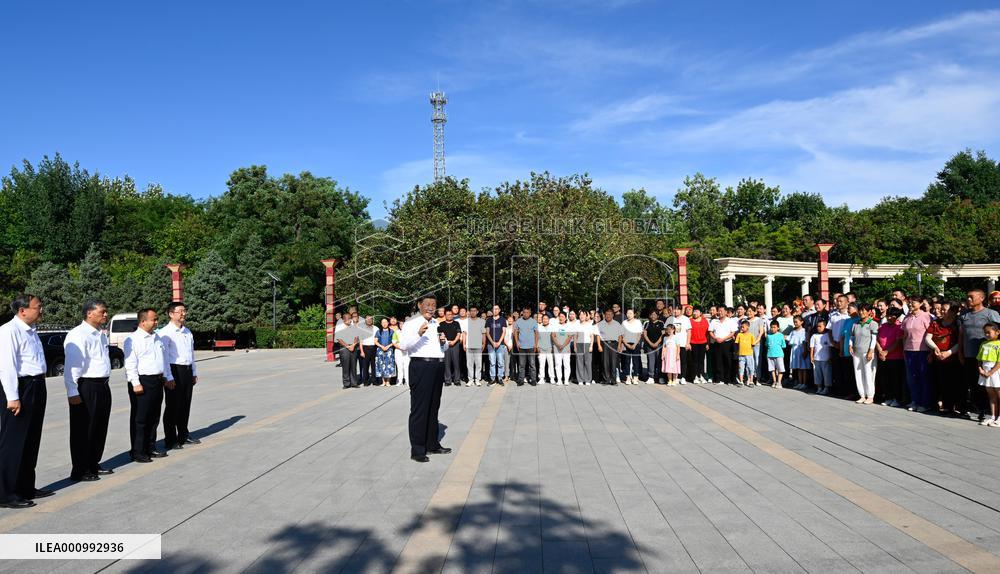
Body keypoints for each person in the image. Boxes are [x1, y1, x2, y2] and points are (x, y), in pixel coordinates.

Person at [0, 294, 51, 508]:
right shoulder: (8, 331)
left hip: (37, 385)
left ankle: (26, 486)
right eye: (37, 307)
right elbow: (6, 366)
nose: (41, 310)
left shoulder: (31, 331)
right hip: (20, 388)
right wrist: (13, 397)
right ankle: (7, 493)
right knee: (14, 443)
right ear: (23, 311)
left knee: (31, 440)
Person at [64, 300, 114, 481]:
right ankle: (80, 469)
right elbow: (73, 365)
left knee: (99, 427)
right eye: (103, 311)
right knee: (84, 429)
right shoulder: (78, 334)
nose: (106, 314)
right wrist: (72, 390)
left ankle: (93, 463)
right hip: (86, 387)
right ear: (89, 313)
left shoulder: (100, 334)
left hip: (102, 385)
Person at [398, 293, 452, 463]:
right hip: (421, 367)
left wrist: (444, 342)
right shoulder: (411, 323)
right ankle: (418, 450)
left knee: (433, 407)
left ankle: (432, 444)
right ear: (419, 305)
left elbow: (442, 348)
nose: (431, 307)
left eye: (433, 304)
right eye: (427, 304)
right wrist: (418, 334)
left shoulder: (436, 323)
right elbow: (404, 346)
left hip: (437, 366)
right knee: (420, 409)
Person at [124, 308, 172, 463]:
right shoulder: (133, 339)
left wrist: (166, 376)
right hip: (142, 381)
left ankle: (151, 447)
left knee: (154, 417)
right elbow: (130, 363)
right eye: (154, 319)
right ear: (143, 321)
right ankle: (138, 451)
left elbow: (164, 359)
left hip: (157, 381)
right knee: (141, 418)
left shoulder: (156, 337)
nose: (156, 322)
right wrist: (135, 383)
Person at [159, 301, 199, 450]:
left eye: (184, 311)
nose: (183, 314)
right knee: (172, 406)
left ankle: (183, 434)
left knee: (185, 404)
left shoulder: (187, 332)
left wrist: (194, 372)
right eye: (180, 311)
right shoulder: (165, 333)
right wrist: (168, 377)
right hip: (174, 370)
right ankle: (170, 438)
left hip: (187, 370)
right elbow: (164, 357)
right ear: (171, 314)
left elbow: (191, 354)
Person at [958, 290, 1000, 421]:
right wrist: (960, 351)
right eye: (967, 297)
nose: (968, 299)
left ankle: (987, 412)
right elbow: (961, 335)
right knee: (971, 384)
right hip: (969, 355)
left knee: (987, 386)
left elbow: (998, 331)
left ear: (981, 298)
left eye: (971, 297)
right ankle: (973, 408)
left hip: (988, 358)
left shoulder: (991, 314)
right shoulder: (964, 314)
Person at [925, 305, 960, 415]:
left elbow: (961, 341)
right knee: (939, 381)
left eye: (945, 309)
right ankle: (942, 404)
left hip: (954, 357)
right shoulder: (936, 323)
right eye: (941, 309)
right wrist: (935, 348)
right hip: (938, 356)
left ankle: (954, 406)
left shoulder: (958, 324)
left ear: (953, 312)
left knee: (953, 382)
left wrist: (949, 352)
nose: (941, 311)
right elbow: (927, 338)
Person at [901, 298, 932, 412]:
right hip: (909, 350)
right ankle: (915, 401)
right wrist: (904, 350)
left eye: (913, 302)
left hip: (923, 350)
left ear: (920, 304)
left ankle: (925, 403)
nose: (910, 304)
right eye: (909, 302)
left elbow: (930, 334)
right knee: (912, 378)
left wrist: (931, 352)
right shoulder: (907, 317)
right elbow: (904, 335)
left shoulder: (926, 316)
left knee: (923, 377)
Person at [876, 308, 906, 407]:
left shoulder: (899, 327)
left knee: (895, 379)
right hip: (883, 356)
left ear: (896, 317)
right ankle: (888, 397)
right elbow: (876, 339)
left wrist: (886, 352)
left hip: (895, 357)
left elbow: (897, 343)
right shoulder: (882, 326)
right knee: (885, 378)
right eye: (888, 315)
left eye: (892, 316)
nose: (889, 317)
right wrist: (880, 351)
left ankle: (896, 399)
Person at [850, 304, 879, 404]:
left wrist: (871, 351)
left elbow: (874, 339)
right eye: (860, 310)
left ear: (869, 311)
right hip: (857, 352)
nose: (861, 312)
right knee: (858, 374)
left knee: (868, 374)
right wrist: (850, 345)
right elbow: (852, 337)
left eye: (864, 310)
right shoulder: (856, 324)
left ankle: (870, 396)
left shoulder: (873, 324)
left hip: (867, 352)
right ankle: (862, 395)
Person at [977, 323, 1000, 427]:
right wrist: (980, 369)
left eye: (989, 332)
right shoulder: (983, 344)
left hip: (995, 372)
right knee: (991, 396)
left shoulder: (999, 344)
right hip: (985, 372)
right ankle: (993, 417)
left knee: (998, 394)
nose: (986, 334)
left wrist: (990, 372)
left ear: (997, 332)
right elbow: (979, 359)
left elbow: (999, 362)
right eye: (985, 332)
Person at [709, 308, 736, 385]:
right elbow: (710, 331)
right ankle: (718, 379)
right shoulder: (714, 321)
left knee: (728, 361)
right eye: (719, 311)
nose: (720, 312)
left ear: (726, 312)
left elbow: (733, 332)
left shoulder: (730, 321)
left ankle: (727, 379)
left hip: (727, 343)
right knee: (718, 361)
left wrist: (723, 339)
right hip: (717, 342)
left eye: (721, 311)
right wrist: (715, 338)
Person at [514, 307, 539, 386]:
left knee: (532, 364)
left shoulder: (534, 321)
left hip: (531, 346)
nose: (526, 314)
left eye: (527, 312)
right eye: (524, 312)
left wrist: (535, 344)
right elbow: (515, 332)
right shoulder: (518, 321)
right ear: (522, 312)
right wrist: (517, 342)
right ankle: (521, 380)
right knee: (521, 365)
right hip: (521, 347)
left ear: (530, 313)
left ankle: (533, 380)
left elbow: (536, 333)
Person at [666, 306, 691, 384]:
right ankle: (675, 377)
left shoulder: (686, 319)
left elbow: (689, 332)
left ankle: (683, 377)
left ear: (681, 310)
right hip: (672, 345)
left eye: (677, 309)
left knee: (683, 361)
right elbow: (665, 330)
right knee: (673, 361)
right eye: (674, 309)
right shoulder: (670, 319)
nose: (676, 311)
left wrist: (688, 343)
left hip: (682, 344)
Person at [598, 309, 623, 385]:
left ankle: (613, 380)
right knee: (605, 362)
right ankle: (606, 379)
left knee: (613, 362)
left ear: (613, 315)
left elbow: (620, 336)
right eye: (606, 314)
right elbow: (598, 335)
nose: (608, 316)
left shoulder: (617, 324)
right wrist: (599, 345)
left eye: (610, 314)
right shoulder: (601, 324)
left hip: (614, 344)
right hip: (604, 344)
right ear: (604, 315)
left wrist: (619, 346)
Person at [462, 307, 485, 387]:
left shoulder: (482, 321)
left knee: (478, 364)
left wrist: (483, 343)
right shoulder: (466, 321)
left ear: (477, 312)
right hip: (469, 346)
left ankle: (477, 379)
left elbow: (483, 334)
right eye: (471, 311)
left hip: (478, 345)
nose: (472, 312)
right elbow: (464, 333)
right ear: (469, 312)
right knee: (469, 364)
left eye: (474, 311)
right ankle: (470, 380)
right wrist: (464, 344)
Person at [438, 310, 462, 387]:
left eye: (451, 314)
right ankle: (447, 380)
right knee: (447, 363)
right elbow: (440, 335)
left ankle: (457, 380)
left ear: (452, 315)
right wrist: (446, 342)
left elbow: (459, 334)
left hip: (455, 344)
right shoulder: (441, 324)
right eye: (448, 314)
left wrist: (454, 341)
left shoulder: (456, 323)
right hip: (446, 345)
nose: (449, 316)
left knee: (456, 363)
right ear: (445, 315)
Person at [336, 313, 360, 388]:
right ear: (343, 320)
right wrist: (347, 346)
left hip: (353, 347)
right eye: (347, 319)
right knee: (345, 366)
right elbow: (339, 339)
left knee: (353, 365)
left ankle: (354, 382)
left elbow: (356, 337)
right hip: (344, 348)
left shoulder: (353, 326)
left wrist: (353, 345)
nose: (349, 320)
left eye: (350, 318)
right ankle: (346, 383)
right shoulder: (340, 327)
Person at [810, 319, 833, 395]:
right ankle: (819, 387)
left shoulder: (827, 335)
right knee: (817, 374)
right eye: (817, 326)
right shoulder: (814, 336)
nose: (818, 328)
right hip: (816, 359)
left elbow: (830, 347)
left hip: (826, 359)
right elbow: (812, 347)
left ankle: (826, 388)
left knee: (826, 374)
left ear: (825, 326)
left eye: (820, 326)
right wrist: (811, 357)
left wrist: (830, 357)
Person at [485, 305, 506, 386]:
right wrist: (493, 342)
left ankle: (500, 378)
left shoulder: (503, 320)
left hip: (500, 345)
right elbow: (487, 332)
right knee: (492, 362)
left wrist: (499, 342)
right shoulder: (489, 320)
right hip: (491, 345)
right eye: (494, 309)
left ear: (499, 310)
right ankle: (493, 378)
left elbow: (504, 332)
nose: (495, 310)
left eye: (497, 309)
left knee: (500, 362)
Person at [620, 309, 643, 384]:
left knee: (635, 361)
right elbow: (622, 335)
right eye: (627, 313)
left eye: (630, 313)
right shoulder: (624, 323)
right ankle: (628, 377)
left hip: (635, 344)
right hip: (626, 343)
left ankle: (635, 376)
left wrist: (635, 344)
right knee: (627, 361)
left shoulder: (638, 322)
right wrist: (626, 344)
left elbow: (639, 334)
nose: (629, 314)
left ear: (634, 314)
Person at [575, 310, 597, 385]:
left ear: (586, 316)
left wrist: (591, 346)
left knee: (588, 362)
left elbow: (592, 336)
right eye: (580, 315)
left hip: (587, 344)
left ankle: (588, 379)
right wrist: (575, 346)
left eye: (583, 315)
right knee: (579, 363)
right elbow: (575, 337)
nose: (582, 316)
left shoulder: (589, 325)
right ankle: (580, 379)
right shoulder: (577, 325)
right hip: (579, 344)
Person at [688, 307, 709, 383]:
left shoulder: (705, 321)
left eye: (696, 311)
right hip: (693, 343)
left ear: (700, 313)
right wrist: (688, 343)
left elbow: (707, 333)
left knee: (701, 360)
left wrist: (707, 343)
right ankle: (695, 377)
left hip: (703, 343)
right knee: (694, 361)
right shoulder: (690, 321)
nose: (694, 313)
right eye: (694, 311)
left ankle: (702, 376)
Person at [643, 310, 664, 384]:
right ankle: (651, 377)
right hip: (649, 345)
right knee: (651, 361)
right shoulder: (647, 323)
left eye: (655, 314)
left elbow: (663, 334)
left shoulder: (661, 323)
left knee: (659, 361)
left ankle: (660, 377)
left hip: (659, 345)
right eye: (651, 314)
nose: (653, 316)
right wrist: (650, 343)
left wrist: (657, 343)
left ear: (657, 316)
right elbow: (645, 334)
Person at [788, 315, 809, 390]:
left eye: (796, 322)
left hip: (802, 349)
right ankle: (800, 383)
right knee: (799, 368)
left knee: (804, 368)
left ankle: (804, 383)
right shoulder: (793, 331)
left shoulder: (804, 331)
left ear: (802, 322)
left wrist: (805, 350)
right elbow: (788, 338)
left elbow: (805, 342)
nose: (795, 323)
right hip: (795, 350)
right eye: (794, 322)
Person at [734, 321, 757, 387]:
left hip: (749, 355)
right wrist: (736, 352)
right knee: (741, 368)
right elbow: (736, 343)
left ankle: (751, 381)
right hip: (741, 355)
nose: (742, 328)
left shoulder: (751, 335)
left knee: (750, 368)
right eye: (741, 326)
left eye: (743, 327)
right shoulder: (739, 335)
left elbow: (753, 344)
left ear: (748, 327)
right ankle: (741, 381)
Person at [375, 318, 396, 387]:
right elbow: (375, 341)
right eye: (383, 322)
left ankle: (388, 381)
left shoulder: (392, 331)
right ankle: (383, 381)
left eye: (385, 322)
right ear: (381, 324)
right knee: (381, 365)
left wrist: (388, 346)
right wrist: (381, 346)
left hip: (389, 350)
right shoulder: (378, 332)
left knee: (389, 365)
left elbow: (394, 341)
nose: (384, 323)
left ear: (388, 323)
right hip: (380, 350)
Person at [765, 320, 787, 388]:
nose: (772, 329)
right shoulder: (768, 336)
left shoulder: (781, 335)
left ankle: (779, 382)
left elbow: (784, 345)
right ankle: (774, 381)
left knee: (780, 369)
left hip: (779, 354)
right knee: (772, 369)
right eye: (771, 327)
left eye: (774, 327)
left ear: (778, 328)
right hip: (770, 354)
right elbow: (766, 344)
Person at [552, 313, 572, 385]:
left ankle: (566, 380)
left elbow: (569, 337)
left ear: (565, 318)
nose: (561, 318)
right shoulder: (555, 326)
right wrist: (558, 345)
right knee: (558, 364)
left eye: (563, 317)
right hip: (557, 348)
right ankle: (559, 380)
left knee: (566, 364)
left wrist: (563, 345)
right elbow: (553, 336)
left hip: (566, 348)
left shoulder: (568, 326)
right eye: (560, 316)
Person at [536, 315, 555, 384]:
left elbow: (554, 339)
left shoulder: (552, 327)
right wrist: (537, 347)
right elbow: (537, 338)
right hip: (541, 349)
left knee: (551, 364)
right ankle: (541, 378)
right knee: (541, 365)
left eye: (546, 319)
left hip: (549, 348)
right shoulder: (539, 327)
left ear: (548, 320)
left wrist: (552, 347)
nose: (545, 320)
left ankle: (552, 378)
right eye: (544, 319)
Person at [359, 316, 377, 387]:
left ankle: (374, 380)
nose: (369, 320)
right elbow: (360, 341)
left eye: (370, 319)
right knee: (365, 366)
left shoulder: (376, 328)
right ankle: (366, 381)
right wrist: (362, 351)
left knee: (374, 365)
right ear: (365, 320)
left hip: (374, 348)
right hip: (365, 348)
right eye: (367, 319)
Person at [391, 317, 409, 386]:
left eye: (403, 324)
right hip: (398, 351)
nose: (401, 325)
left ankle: (407, 381)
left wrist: (405, 348)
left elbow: (410, 342)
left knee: (406, 366)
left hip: (407, 351)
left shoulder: (408, 332)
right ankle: (399, 381)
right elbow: (394, 343)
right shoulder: (396, 332)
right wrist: (401, 348)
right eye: (400, 324)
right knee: (399, 367)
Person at [503, 314, 515, 385]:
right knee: (506, 362)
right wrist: (507, 345)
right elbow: (503, 338)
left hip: (513, 347)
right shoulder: (505, 328)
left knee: (513, 362)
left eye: (511, 319)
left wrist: (512, 345)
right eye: (509, 319)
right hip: (506, 346)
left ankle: (513, 375)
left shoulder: (515, 328)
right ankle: (506, 376)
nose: (510, 320)